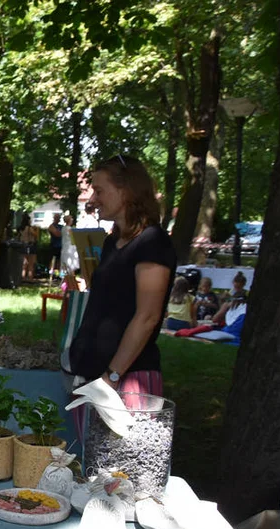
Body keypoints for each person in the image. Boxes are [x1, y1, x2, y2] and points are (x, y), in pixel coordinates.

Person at [68, 154, 176, 401]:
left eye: (98, 191)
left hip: (125, 381)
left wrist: (111, 378)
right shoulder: (111, 243)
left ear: (126, 190)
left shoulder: (153, 242)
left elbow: (147, 316)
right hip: (92, 374)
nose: (93, 199)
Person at [18, 215, 38, 282]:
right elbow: (36, 235)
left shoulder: (21, 228)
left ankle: (22, 277)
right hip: (30, 245)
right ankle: (30, 278)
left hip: (22, 245)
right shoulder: (29, 228)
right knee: (31, 263)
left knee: (24, 263)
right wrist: (36, 229)